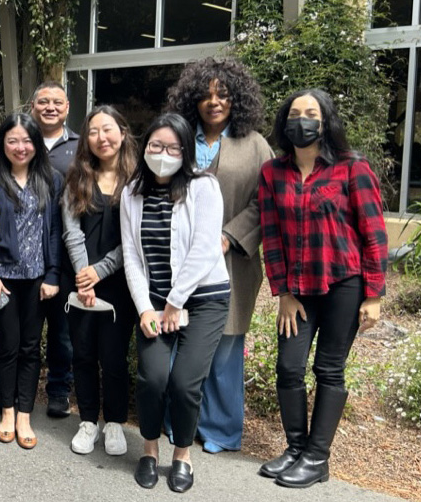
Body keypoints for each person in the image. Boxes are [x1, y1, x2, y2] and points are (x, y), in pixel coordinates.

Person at [257, 89, 386, 488]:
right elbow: (272, 236)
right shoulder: (272, 173)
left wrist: (374, 295)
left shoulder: (352, 168)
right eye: (294, 113)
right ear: (284, 122)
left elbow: (375, 233)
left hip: (344, 284)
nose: (302, 120)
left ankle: (317, 458)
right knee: (288, 367)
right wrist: (283, 293)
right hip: (298, 290)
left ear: (326, 119)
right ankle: (296, 448)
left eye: (310, 113)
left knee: (329, 369)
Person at [164, 57, 275, 453]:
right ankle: (176, 422)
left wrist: (228, 236)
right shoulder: (177, 138)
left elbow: (267, 201)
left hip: (231, 260)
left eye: (223, 94)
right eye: (205, 95)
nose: (214, 102)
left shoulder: (256, 144)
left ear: (236, 99)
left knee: (225, 348)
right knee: (177, 339)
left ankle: (220, 430)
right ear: (192, 99)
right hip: (177, 258)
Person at [120, 113, 230, 493]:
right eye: (156, 146)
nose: (163, 154)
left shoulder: (204, 187)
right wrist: (146, 308)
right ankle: (149, 451)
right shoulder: (131, 193)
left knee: (185, 383)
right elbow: (132, 257)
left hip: (203, 299)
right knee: (152, 378)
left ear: (186, 151)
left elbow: (203, 249)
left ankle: (181, 455)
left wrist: (175, 301)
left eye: (173, 148)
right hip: (153, 300)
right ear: (144, 146)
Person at [62, 106, 139, 456]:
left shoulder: (138, 180)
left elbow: (136, 237)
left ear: (122, 132)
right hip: (80, 282)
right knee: (83, 353)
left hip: (122, 284)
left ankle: (115, 423)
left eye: (108, 130)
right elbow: (71, 231)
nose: (101, 138)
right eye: (93, 131)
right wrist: (84, 277)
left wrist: (100, 271)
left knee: (114, 357)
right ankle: (89, 420)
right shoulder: (77, 176)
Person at [0, 113, 61, 450]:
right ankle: (6, 410)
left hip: (37, 280)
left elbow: (57, 230)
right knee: (8, 346)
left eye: (27, 140)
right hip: (2, 280)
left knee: (31, 347)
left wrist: (52, 274)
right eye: (13, 140)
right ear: (2, 143)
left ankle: (24, 415)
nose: (21, 147)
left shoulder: (50, 179)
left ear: (37, 144)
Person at [28, 81, 80, 418]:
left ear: (67, 108)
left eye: (56, 102)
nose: (50, 107)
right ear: (32, 106)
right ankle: (19, 389)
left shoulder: (80, 147)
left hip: (65, 252)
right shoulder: (19, 139)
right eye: (43, 101)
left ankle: (60, 390)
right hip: (24, 253)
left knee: (62, 334)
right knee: (25, 330)